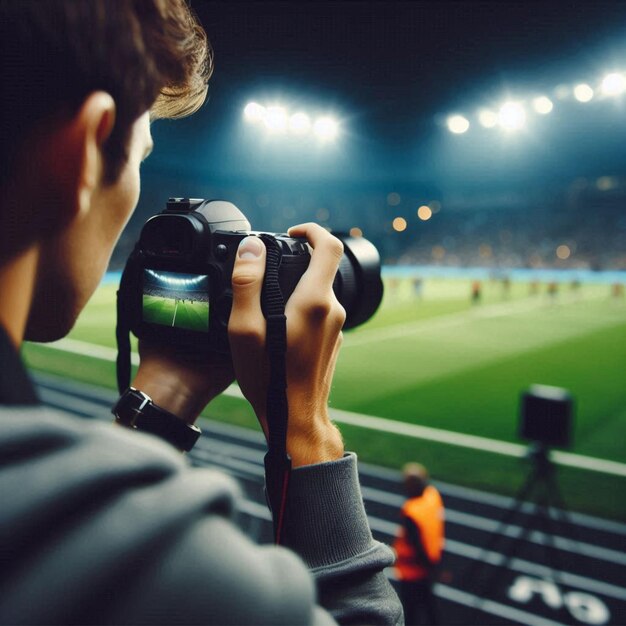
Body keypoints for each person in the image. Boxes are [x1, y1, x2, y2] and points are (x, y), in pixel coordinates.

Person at [0, 2, 403, 625]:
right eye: (140, 155)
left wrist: (169, 386)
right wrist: (305, 429)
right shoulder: (190, 585)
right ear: (78, 154)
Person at [393, 463, 445, 625]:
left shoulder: (411, 512)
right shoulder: (433, 495)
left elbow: (415, 543)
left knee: (411, 613)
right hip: (431, 563)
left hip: (412, 571)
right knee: (430, 607)